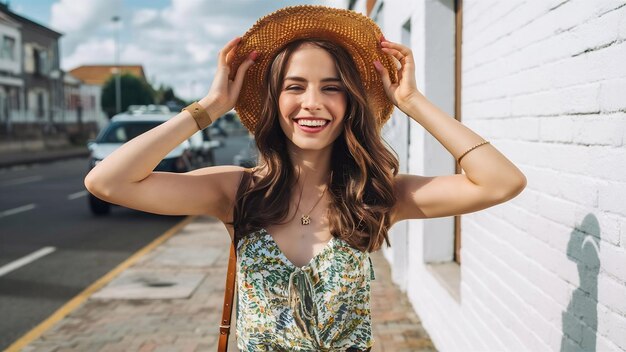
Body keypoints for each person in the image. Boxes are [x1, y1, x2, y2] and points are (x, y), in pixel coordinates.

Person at [84, 5, 527, 351]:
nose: (312, 102)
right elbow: (107, 182)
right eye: (295, 87)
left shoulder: (377, 194)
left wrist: (412, 101)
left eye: (331, 87)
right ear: (276, 101)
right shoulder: (237, 190)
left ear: (350, 102)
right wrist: (210, 107)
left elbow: (500, 182)